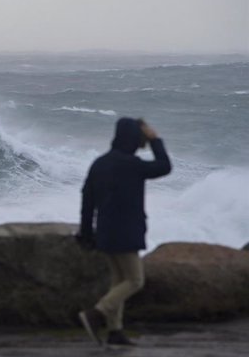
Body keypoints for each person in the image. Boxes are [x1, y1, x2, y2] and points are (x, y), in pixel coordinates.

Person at [77, 117, 171, 347]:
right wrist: (155, 139)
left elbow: (87, 201)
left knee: (118, 280)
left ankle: (115, 331)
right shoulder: (132, 164)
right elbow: (164, 166)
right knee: (135, 281)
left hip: (105, 234)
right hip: (126, 234)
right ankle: (96, 313)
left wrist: (86, 233)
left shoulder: (99, 164)